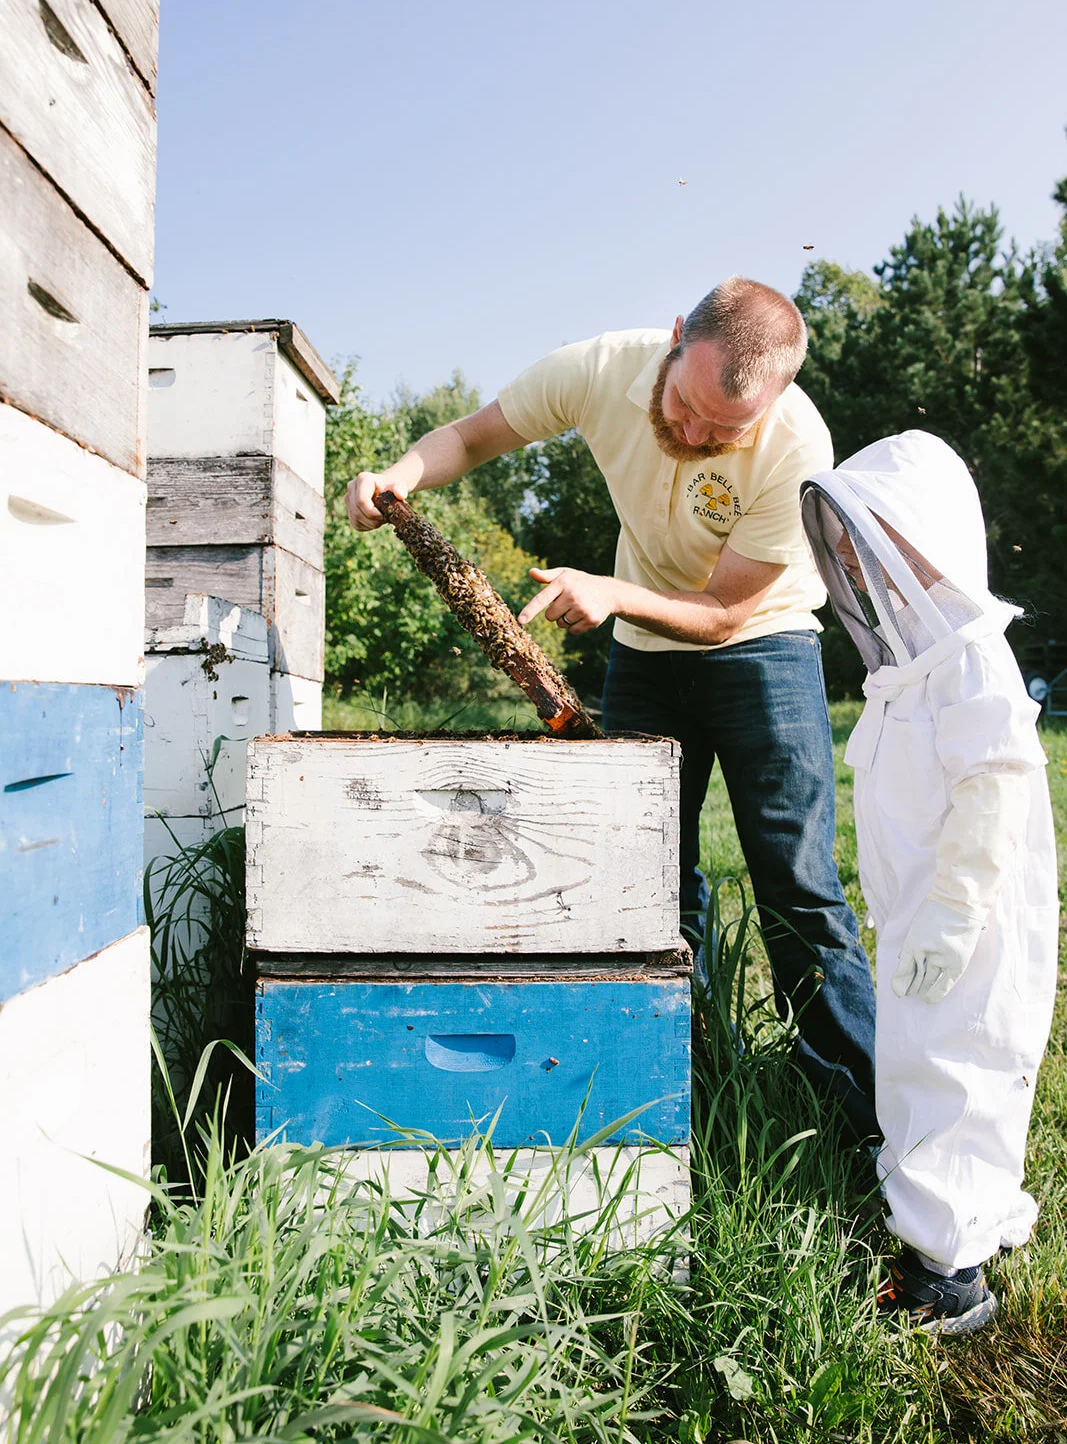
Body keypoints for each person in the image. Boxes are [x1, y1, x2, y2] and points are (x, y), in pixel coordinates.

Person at [347, 276, 878, 1133]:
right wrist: (396, 476)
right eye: (685, 406)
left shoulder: (797, 447)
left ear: (775, 399)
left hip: (763, 651)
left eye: (724, 429)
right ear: (673, 340)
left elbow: (723, 613)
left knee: (796, 885)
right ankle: (683, 1071)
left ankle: (861, 1115)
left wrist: (613, 593)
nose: (697, 435)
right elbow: (473, 435)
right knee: (648, 880)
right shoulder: (597, 369)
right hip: (642, 658)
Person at [801, 431, 1058, 1334]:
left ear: (929, 535)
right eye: (844, 542)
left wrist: (951, 914)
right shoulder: (912, 663)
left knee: (962, 1062)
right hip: (922, 913)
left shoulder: (971, 657)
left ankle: (951, 1277)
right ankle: (952, 1211)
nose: (852, 558)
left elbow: (996, 785)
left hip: (969, 915)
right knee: (921, 1056)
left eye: (871, 537)